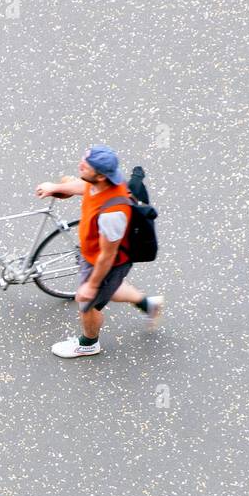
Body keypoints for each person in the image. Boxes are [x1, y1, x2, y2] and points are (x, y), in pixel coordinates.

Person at [34, 145, 163, 357]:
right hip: (92, 255)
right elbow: (82, 186)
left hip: (106, 264)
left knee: (86, 304)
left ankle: (88, 344)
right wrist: (55, 187)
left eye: (87, 165)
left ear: (101, 176)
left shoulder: (113, 212)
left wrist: (91, 286)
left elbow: (108, 255)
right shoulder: (99, 184)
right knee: (111, 290)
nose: (81, 165)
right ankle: (149, 305)